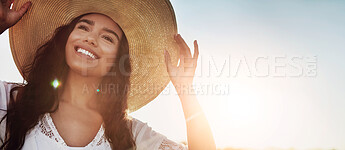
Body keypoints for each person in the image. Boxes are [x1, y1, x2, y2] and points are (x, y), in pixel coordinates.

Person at [0, 0, 216, 149]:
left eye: (108, 38)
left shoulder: (130, 135)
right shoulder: (10, 101)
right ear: (65, 39)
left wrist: (186, 92)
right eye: (83, 28)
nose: (91, 39)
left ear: (117, 61)